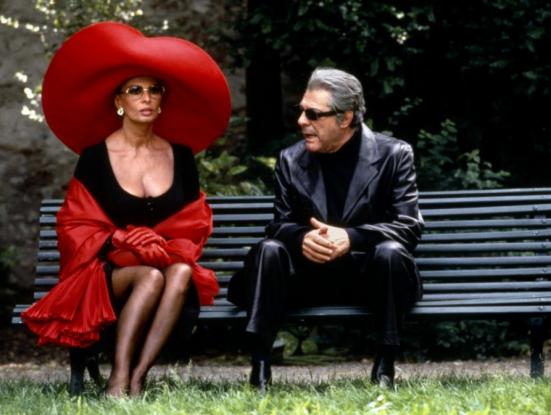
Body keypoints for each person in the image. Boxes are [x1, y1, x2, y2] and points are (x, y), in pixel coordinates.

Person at [21, 22, 231, 397]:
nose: (146, 98)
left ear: (162, 100)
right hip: (109, 274)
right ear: (119, 100)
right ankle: (118, 379)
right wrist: (122, 239)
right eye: (135, 90)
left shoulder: (181, 156)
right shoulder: (95, 158)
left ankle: (138, 377)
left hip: (168, 267)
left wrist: (159, 245)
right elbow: (75, 224)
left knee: (180, 272)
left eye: (154, 90)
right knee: (148, 277)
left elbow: (193, 223)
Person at [228, 68, 423, 391]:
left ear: (345, 118)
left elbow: (408, 226)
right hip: (307, 278)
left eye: (313, 114)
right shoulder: (291, 159)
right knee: (268, 249)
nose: (301, 121)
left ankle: (385, 366)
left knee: (391, 252)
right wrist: (301, 238)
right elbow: (278, 225)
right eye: (301, 111)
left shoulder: (393, 155)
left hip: (367, 280)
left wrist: (352, 237)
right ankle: (259, 368)